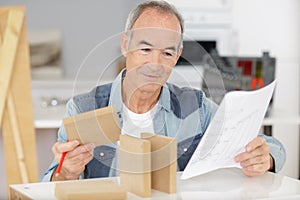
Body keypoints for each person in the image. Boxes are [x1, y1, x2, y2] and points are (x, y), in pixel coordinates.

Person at [41, 0, 285, 182]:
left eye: (167, 53)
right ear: (126, 44)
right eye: (145, 49)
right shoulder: (85, 107)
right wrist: (67, 172)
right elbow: (51, 183)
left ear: (177, 56)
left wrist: (266, 157)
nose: (155, 64)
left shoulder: (195, 107)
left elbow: (271, 145)